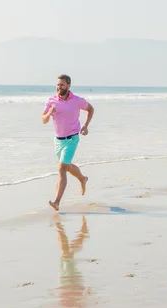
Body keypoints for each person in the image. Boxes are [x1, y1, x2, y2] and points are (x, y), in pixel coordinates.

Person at [42, 74, 94, 211]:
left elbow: (90, 109)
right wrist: (49, 113)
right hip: (58, 140)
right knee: (67, 166)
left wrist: (86, 125)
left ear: (69, 86)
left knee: (61, 168)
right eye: (58, 85)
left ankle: (57, 202)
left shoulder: (77, 101)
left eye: (62, 85)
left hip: (72, 138)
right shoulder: (51, 100)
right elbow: (43, 119)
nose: (59, 87)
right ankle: (83, 179)